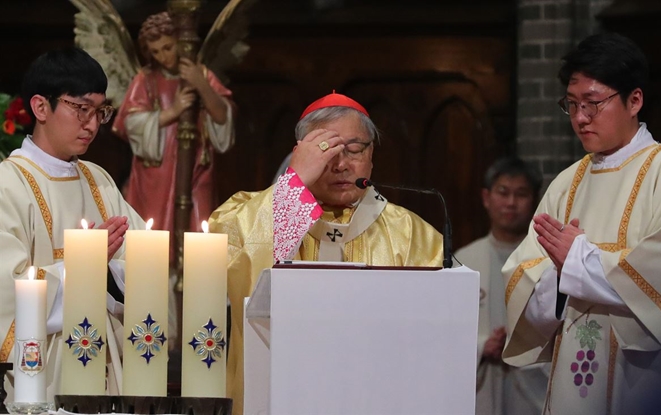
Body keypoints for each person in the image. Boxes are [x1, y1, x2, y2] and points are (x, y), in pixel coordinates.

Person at [209, 91, 444, 415]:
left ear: (371, 155)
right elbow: (237, 270)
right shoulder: (242, 212)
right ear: (300, 155)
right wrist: (294, 186)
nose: (341, 164)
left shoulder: (414, 235)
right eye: (325, 150)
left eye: (353, 149)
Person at [502, 32, 661, 415]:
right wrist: (556, 274)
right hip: (574, 381)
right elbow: (524, 281)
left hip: (647, 383)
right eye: (571, 105)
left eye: (593, 104)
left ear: (635, 100)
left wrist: (579, 260)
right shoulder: (566, 184)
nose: (580, 118)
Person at [0, 47, 146, 402]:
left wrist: (107, 269)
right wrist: (83, 264)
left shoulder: (99, 181)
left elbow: (145, 264)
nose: (93, 125)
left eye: (100, 112)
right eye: (81, 109)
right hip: (41, 380)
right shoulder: (8, 184)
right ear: (40, 107)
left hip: (110, 370)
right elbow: (7, 291)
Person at [112, 11, 235, 260]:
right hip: (155, 177)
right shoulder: (145, 81)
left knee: (199, 240)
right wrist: (173, 111)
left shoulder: (201, 74)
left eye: (168, 47)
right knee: (154, 242)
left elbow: (224, 118)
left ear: (180, 41)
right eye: (155, 51)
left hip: (196, 170)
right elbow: (129, 125)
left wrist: (201, 85)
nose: (163, 56)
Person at [455, 157, 547, 415]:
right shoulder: (463, 261)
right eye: (503, 193)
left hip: (532, 387)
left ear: (535, 201)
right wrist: (483, 346)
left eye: (521, 194)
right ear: (486, 197)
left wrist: (521, 342)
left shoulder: (546, 261)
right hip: (482, 385)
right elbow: (445, 332)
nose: (511, 203)